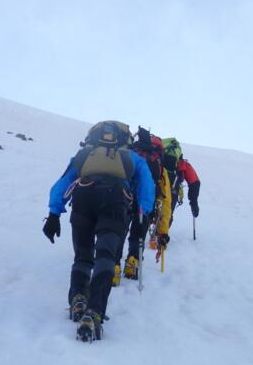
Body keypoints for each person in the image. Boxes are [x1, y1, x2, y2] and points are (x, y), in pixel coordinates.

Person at [42, 121, 154, 342]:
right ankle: (94, 312)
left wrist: (54, 214)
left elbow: (63, 183)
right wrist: (144, 216)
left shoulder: (85, 154)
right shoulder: (133, 158)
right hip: (115, 203)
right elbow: (146, 188)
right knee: (105, 256)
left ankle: (78, 298)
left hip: (83, 199)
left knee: (83, 256)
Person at [115, 127, 172, 281]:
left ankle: (114, 265)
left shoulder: (131, 155)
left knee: (120, 231)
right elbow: (166, 200)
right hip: (146, 205)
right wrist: (163, 232)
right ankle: (133, 262)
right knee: (138, 235)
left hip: (125, 198)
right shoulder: (160, 168)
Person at [161, 137, 200, 226]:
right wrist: (194, 203)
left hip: (156, 184)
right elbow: (194, 182)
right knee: (168, 212)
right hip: (172, 188)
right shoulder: (182, 163)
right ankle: (161, 235)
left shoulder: (155, 156)